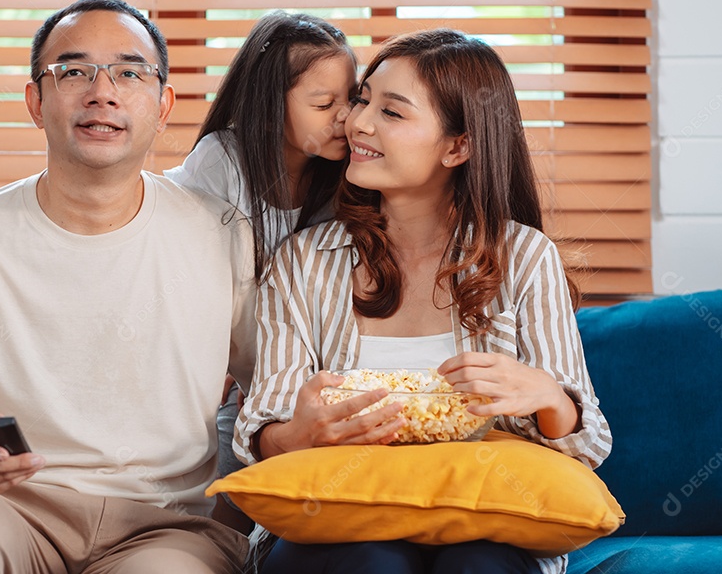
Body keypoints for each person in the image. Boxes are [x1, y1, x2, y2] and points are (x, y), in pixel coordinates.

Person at [0, 0, 257, 574]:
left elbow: (275, 392)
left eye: (129, 73)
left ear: (163, 104)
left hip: (167, 523)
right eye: (73, 71)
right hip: (8, 508)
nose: (101, 91)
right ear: (35, 101)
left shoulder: (224, 233)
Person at [237, 29, 612, 574]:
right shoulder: (302, 262)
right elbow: (260, 424)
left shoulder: (524, 258)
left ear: (457, 146)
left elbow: (590, 444)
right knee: (373, 564)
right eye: (363, 99)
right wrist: (296, 434)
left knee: (479, 565)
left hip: (482, 521)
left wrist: (550, 397)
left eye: (392, 112)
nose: (357, 122)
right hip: (336, 520)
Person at [162, 11, 357, 530]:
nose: (345, 117)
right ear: (270, 108)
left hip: (298, 373)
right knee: (222, 513)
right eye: (323, 104)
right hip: (231, 374)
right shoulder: (221, 162)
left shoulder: (349, 177)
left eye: (350, 99)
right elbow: (203, 289)